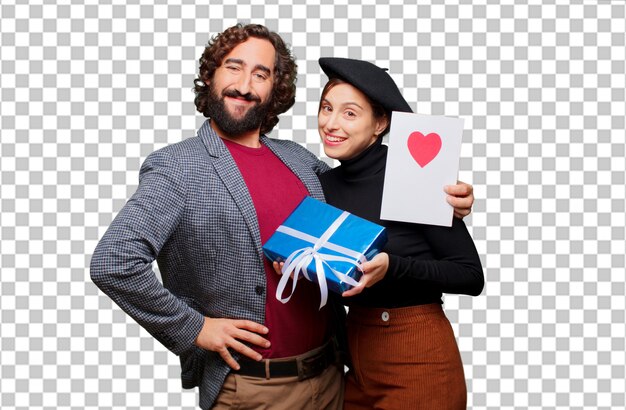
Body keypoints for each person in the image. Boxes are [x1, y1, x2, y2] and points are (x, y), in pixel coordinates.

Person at [90, 24, 475, 410]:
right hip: (254, 390)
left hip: (334, 376)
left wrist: (444, 197)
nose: (245, 84)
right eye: (233, 67)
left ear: (276, 88)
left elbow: (366, 196)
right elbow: (114, 262)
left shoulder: (302, 162)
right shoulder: (177, 167)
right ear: (210, 75)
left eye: (261, 74)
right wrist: (196, 328)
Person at [315, 57, 484, 409]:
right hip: (353, 355)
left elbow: (470, 276)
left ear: (380, 123)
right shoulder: (321, 186)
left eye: (349, 113)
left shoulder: (415, 175)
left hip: (417, 354)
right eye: (326, 108)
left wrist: (394, 267)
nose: (331, 123)